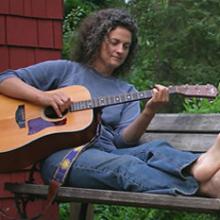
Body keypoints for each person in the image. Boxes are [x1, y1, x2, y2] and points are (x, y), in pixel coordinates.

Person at [0, 8, 220, 198]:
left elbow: (124, 141)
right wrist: (44, 98)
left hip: (109, 152)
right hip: (63, 157)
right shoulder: (65, 70)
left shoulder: (127, 91)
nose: (120, 51)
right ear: (96, 39)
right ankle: (205, 185)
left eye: (126, 46)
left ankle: (199, 166)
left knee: (156, 148)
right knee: (126, 166)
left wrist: (150, 111)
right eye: (114, 42)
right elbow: (4, 79)